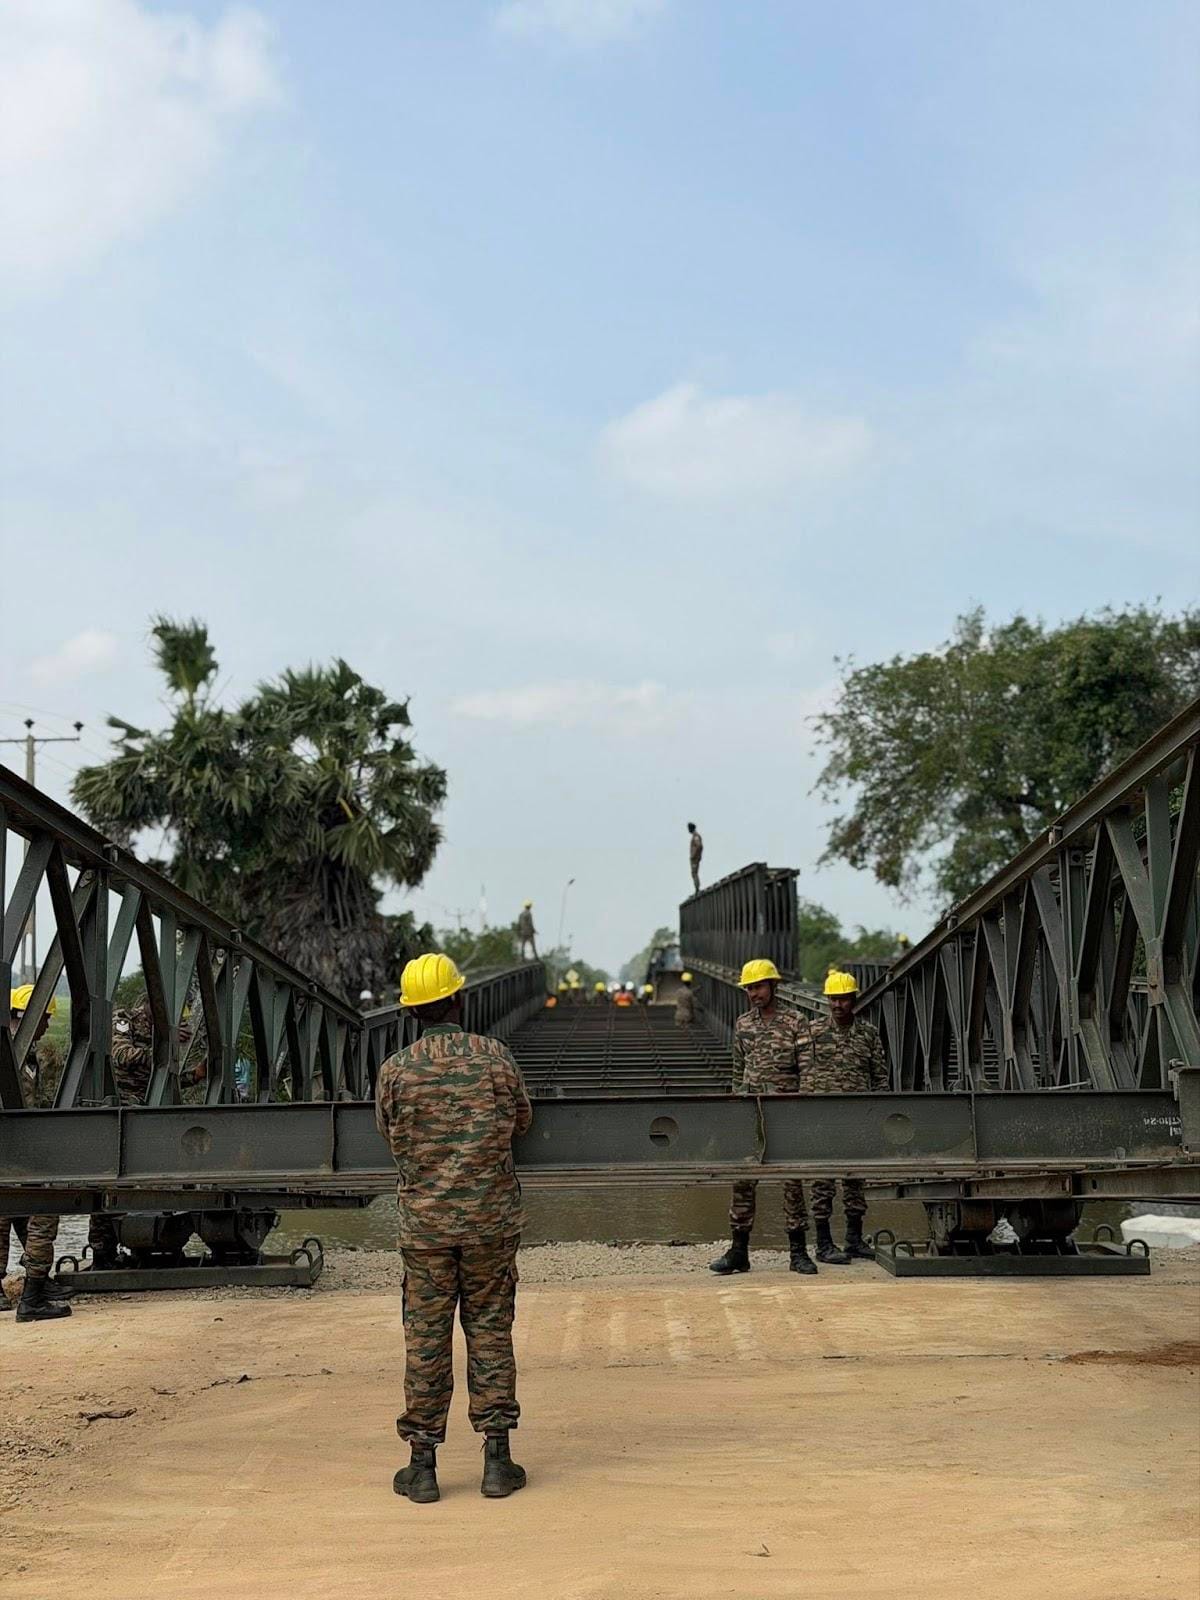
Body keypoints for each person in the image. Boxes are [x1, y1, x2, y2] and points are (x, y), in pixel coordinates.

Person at [375, 952, 533, 1505]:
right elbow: (522, 1120)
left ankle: (422, 1466)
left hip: (425, 1229)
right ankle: (497, 1460)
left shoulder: (395, 1069)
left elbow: (387, 1131)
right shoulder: (494, 1057)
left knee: (425, 1339)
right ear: (458, 1000)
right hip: (490, 1222)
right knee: (490, 1330)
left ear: (412, 1013)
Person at [710, 959, 818, 1278]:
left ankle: (798, 1253)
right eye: (749, 989)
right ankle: (739, 1252)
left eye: (758, 987)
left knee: (792, 1180)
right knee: (742, 1179)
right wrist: (735, 1104)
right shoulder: (743, 1024)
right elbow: (736, 1068)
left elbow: (809, 1070)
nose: (753, 993)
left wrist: (804, 1109)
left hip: (786, 1110)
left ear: (774, 986)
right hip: (750, 1109)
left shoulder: (796, 1021)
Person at [88, 998, 204, 1269]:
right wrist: (165, 1043)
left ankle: (151, 1245)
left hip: (149, 1113)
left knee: (156, 1182)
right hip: (121, 1113)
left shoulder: (162, 1031)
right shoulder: (124, 1018)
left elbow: (165, 1076)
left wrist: (195, 1076)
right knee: (112, 1185)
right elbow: (122, 1056)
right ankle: (102, 1252)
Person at [798, 970, 890, 1263]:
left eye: (843, 999)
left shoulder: (869, 1034)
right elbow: (795, 1071)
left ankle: (853, 1240)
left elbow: (880, 1076)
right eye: (833, 999)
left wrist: (879, 1115)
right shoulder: (811, 1033)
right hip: (820, 1119)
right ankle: (823, 1244)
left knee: (855, 1180)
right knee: (821, 1182)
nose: (838, 1005)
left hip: (857, 1118)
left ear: (854, 1000)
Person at [2, 987, 71, 1322]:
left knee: (5, 1215)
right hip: (15, 1155)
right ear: (26, 1016)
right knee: (45, 1210)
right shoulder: (13, 1055)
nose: (46, 1026)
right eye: (44, 1018)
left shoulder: (24, 1055)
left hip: (14, 1155)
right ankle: (32, 1299)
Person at [687, 821, 703, 894]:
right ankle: (697, 888)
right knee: (694, 873)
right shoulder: (695, 836)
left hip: (695, 859)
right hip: (695, 858)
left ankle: (697, 889)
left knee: (694, 873)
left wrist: (694, 855)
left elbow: (699, 846)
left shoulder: (696, 836)